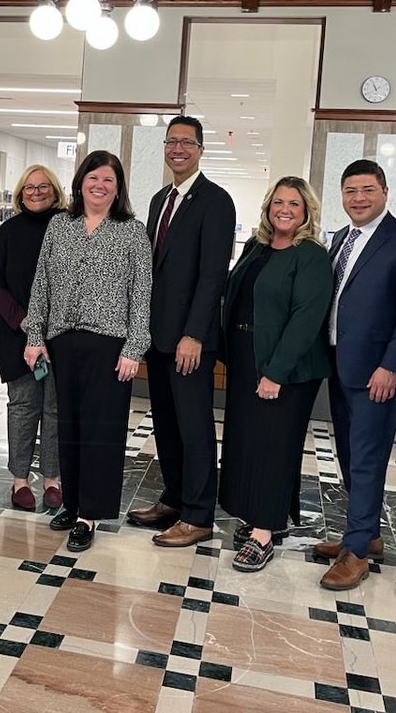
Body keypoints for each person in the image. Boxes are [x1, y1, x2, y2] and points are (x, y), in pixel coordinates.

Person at [25, 150, 152, 553]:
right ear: (80, 183)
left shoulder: (132, 231)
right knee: (68, 427)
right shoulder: (60, 226)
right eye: (93, 178)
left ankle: (90, 514)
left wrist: (135, 346)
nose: (99, 185)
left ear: (118, 189)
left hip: (110, 344)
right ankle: (73, 500)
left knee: (102, 431)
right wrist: (34, 336)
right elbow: (41, 282)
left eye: (108, 180)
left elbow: (141, 294)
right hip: (63, 339)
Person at [314, 159, 396, 589]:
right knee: (347, 453)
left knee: (367, 458)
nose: (358, 199)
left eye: (367, 190)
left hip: (377, 371)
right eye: (350, 191)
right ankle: (366, 532)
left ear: (384, 192)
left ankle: (356, 552)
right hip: (340, 363)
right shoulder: (341, 238)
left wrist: (392, 365)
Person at [127, 115, 235, 548]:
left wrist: (194, 334)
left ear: (201, 150)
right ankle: (173, 498)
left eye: (187, 143)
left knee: (194, 428)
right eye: (171, 141)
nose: (178, 149)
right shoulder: (158, 200)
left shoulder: (216, 200)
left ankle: (198, 514)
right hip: (158, 337)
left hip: (189, 340)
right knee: (166, 425)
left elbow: (212, 275)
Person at [219, 176, 332, 572]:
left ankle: (264, 533)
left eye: (295, 204)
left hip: (285, 368)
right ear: (269, 206)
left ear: (306, 212)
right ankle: (256, 515)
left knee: (273, 447)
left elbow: (306, 320)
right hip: (246, 358)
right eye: (279, 202)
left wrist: (276, 373)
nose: (285, 209)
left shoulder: (312, 256)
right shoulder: (256, 247)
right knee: (247, 442)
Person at [0, 164, 66, 511]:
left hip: (61, 334)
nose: (36, 192)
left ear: (55, 190)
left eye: (43, 186)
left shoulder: (68, 228)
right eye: (29, 187)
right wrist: (24, 322)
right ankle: (20, 479)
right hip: (16, 334)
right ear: (20, 192)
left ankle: (52, 478)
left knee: (55, 408)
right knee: (22, 406)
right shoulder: (8, 231)